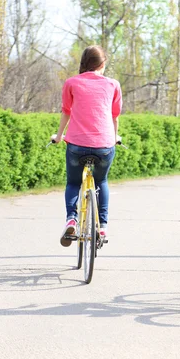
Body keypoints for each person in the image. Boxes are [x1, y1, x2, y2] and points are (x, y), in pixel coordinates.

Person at [53, 45, 122, 246]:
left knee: (74, 183)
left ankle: (72, 219)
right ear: (103, 64)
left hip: (76, 144)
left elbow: (66, 111)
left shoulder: (71, 83)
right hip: (105, 145)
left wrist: (58, 136)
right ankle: (102, 227)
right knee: (102, 181)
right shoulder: (113, 85)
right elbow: (114, 116)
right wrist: (115, 136)